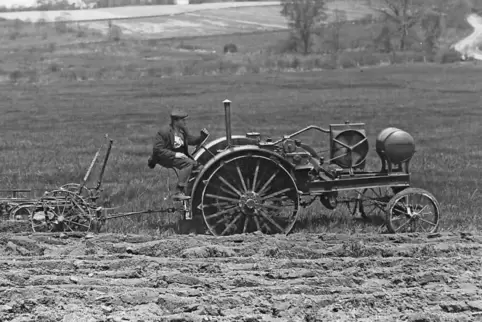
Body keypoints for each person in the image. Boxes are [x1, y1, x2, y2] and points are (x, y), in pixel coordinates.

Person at [148, 108, 209, 200]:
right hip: (165, 157)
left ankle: (192, 190)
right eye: (183, 120)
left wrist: (202, 137)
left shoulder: (182, 131)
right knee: (188, 163)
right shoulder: (164, 132)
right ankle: (178, 192)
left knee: (200, 168)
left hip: (179, 157)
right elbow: (157, 149)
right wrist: (175, 155)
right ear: (176, 121)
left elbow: (190, 140)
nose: (185, 122)